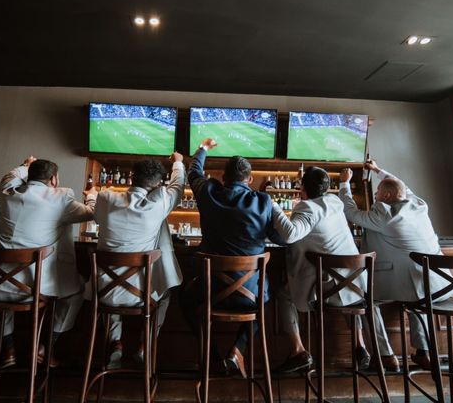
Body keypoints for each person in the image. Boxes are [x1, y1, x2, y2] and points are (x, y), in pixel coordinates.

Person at [0, 156, 97, 368]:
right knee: (76, 293)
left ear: (29, 175)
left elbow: (12, 175)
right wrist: (92, 197)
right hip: (34, 288)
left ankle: (8, 348)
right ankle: (46, 347)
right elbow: (92, 213)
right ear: (54, 179)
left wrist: (26, 165)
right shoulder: (61, 198)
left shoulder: (7, 190)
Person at [179, 138, 284, 376]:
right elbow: (281, 239)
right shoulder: (263, 201)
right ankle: (238, 350)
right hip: (251, 295)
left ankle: (213, 356)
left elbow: (193, 172)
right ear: (250, 179)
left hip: (210, 293)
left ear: (223, 178)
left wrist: (203, 149)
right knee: (266, 300)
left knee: (183, 299)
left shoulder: (208, 191)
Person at [338, 160, 453, 371]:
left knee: (366, 302)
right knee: (418, 299)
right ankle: (424, 351)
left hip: (411, 282)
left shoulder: (384, 215)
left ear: (387, 197)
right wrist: (377, 170)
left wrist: (345, 184)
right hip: (438, 283)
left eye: (377, 194)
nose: (375, 197)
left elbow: (350, 212)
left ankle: (385, 355)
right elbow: (401, 185)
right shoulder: (418, 204)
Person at [271, 166, 370, 373]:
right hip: (356, 284)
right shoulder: (335, 202)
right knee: (346, 293)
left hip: (327, 289)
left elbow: (290, 235)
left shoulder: (307, 208)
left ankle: (298, 351)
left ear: (302, 189)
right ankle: (359, 346)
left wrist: (273, 207)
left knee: (283, 295)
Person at [93, 153, 185, 368]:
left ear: (132, 176)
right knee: (165, 293)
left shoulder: (106, 198)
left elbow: (97, 217)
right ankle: (145, 345)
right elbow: (178, 186)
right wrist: (178, 163)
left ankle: (115, 343)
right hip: (141, 296)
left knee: (108, 291)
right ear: (158, 184)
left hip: (104, 293)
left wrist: (90, 196)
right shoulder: (160, 201)